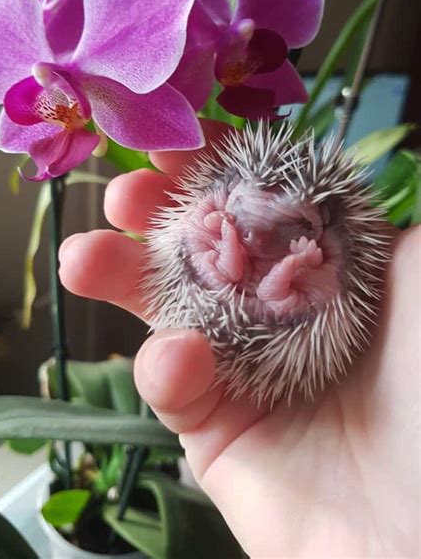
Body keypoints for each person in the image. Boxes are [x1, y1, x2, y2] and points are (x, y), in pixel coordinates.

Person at [59, 121, 420, 558]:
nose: (261, 235)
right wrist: (246, 239)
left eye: (287, 219)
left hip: (288, 306)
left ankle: (270, 265)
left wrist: (278, 254)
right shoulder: (227, 205)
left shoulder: (326, 232)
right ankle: (262, 259)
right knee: (239, 267)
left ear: (321, 215)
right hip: (244, 280)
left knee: (278, 284)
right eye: (250, 220)